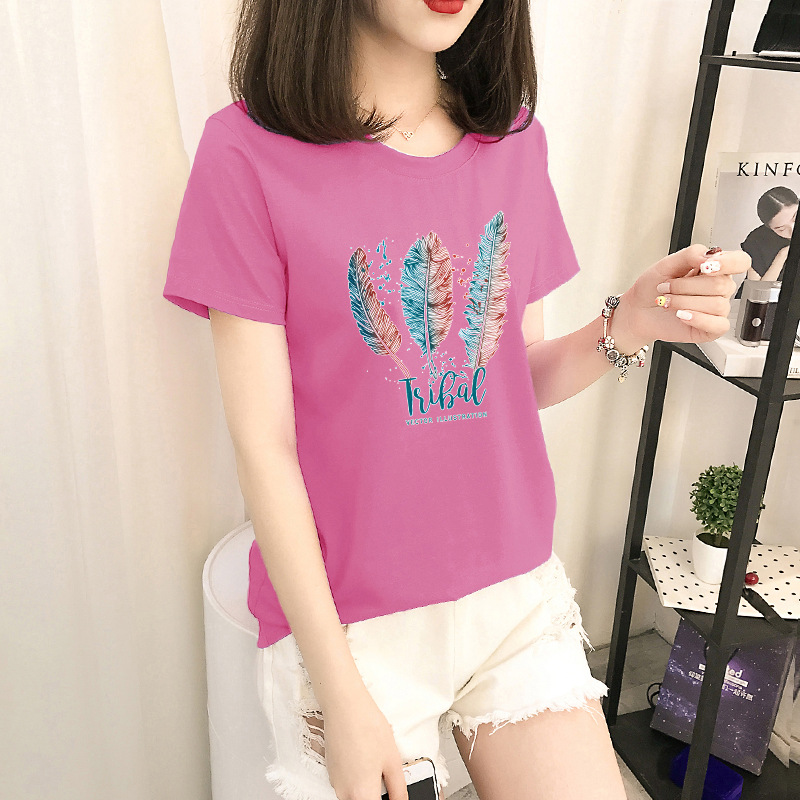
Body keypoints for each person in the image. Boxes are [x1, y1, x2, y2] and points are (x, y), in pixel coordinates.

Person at [162, 2, 749, 799]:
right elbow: (265, 445)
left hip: (512, 599)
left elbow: (514, 378)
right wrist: (340, 690)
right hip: (352, 627)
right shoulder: (246, 152)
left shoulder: (512, 139)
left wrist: (630, 323)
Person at [733, 187, 797, 300]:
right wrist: (783, 255)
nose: (793, 230)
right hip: (757, 306)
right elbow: (758, 294)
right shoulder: (757, 240)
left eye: (796, 218)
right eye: (781, 229)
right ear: (770, 228)